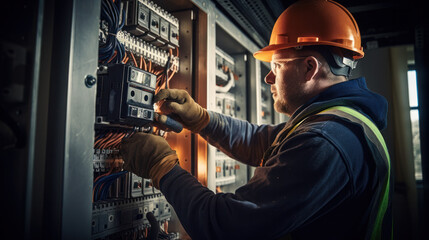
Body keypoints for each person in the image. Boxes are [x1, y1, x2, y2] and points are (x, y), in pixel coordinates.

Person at [120, 0, 392, 239]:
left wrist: (162, 167)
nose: (268, 78)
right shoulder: (338, 123)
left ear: (310, 67)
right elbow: (259, 140)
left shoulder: (326, 142)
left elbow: (226, 227)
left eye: (276, 66)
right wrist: (201, 119)